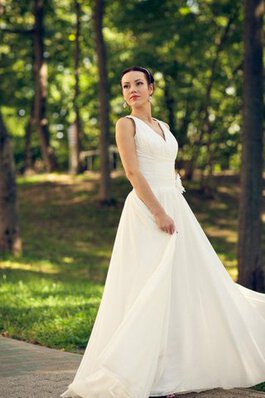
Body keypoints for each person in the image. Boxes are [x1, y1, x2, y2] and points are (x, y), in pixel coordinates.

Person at [60, 66, 265, 398]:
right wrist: (158, 211)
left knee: (180, 287)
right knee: (149, 288)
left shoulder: (164, 127)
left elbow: (167, 167)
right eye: (126, 86)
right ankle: (146, 375)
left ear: (151, 88)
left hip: (174, 206)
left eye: (138, 83)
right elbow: (131, 171)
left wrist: (173, 204)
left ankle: (172, 372)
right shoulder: (125, 125)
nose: (132, 90)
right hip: (147, 209)